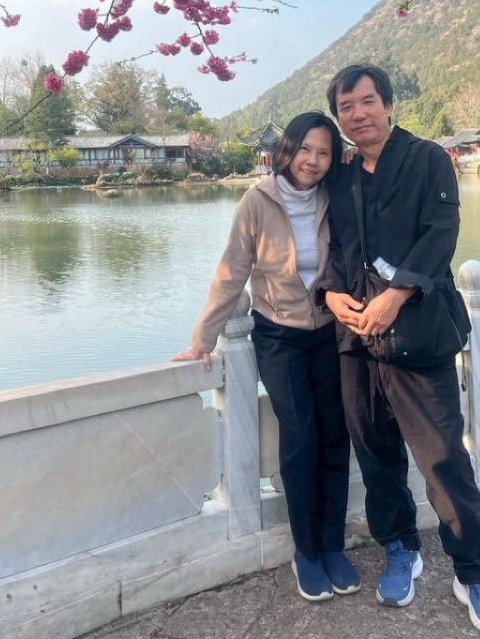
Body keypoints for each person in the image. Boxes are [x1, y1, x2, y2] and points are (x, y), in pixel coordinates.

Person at [321, 65, 480, 635]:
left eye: (367, 101)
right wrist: (330, 293)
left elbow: (440, 233)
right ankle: (400, 548)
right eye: (346, 107)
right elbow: (334, 247)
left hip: (418, 335)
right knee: (377, 455)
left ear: (388, 104)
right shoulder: (341, 176)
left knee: (443, 459)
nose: (358, 114)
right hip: (356, 340)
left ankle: (474, 573)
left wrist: (397, 294)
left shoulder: (428, 158)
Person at [172, 112, 360, 603]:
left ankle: (334, 545)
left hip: (330, 330)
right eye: (305, 150)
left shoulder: (334, 196)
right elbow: (232, 272)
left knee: (334, 434)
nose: (313, 161)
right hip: (279, 336)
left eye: (324, 153)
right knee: (300, 437)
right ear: (287, 150)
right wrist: (203, 338)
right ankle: (307, 551)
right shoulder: (257, 201)